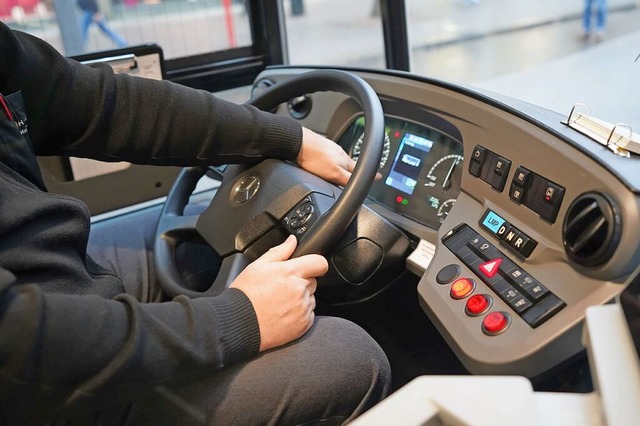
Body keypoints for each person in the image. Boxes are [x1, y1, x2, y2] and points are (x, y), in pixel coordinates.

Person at [0, 22, 391, 425]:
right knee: (350, 356)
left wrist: (291, 139)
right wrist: (238, 318)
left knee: (177, 242)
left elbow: (105, 104)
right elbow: (18, 347)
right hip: (38, 388)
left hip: (41, 279)